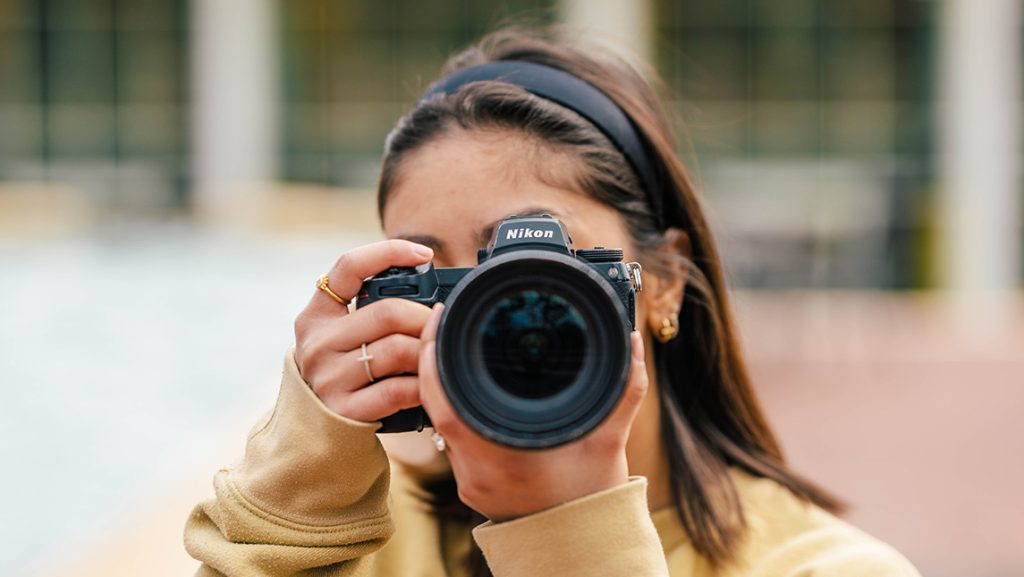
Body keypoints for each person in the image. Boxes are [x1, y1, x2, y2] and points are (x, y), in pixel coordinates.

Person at [184, 27, 920, 577]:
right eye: (435, 273)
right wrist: (305, 470)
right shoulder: (354, 536)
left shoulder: (823, 567)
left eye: (540, 264)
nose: (495, 311)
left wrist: (567, 530)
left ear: (662, 281)